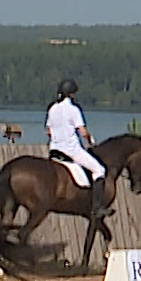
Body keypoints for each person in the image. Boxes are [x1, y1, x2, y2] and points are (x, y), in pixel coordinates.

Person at [47, 79, 111, 221]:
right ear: (71, 94)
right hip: (71, 150)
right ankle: (97, 207)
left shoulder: (52, 109)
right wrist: (89, 139)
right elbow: (82, 131)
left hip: (54, 151)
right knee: (99, 170)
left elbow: (48, 131)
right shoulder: (74, 109)